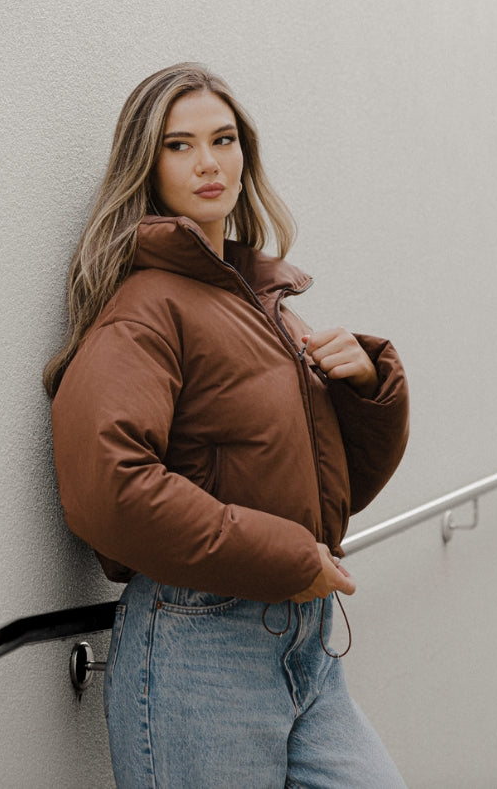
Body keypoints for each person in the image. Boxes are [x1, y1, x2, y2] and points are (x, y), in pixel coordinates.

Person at [44, 63, 409, 788]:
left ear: (247, 152)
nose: (208, 163)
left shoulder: (260, 304)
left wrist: (369, 388)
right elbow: (110, 490)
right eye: (179, 146)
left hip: (299, 641)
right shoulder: (147, 306)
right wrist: (288, 558)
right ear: (146, 166)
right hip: (195, 645)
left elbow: (325, 490)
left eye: (223, 138)